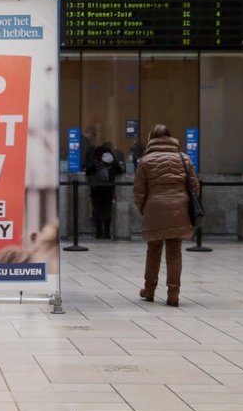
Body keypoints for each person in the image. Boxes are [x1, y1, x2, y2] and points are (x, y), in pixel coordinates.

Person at [133, 124, 199, 307]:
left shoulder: (145, 161)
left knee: (153, 251)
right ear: (171, 138)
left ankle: (149, 290)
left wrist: (143, 210)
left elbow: (139, 191)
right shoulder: (183, 158)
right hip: (179, 207)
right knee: (174, 251)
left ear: (151, 139)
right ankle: (173, 293)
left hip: (154, 207)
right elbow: (194, 186)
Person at [85, 143, 124, 239]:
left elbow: (87, 171)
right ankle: (107, 233)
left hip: (96, 189)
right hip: (108, 188)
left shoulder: (94, 162)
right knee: (107, 211)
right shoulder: (111, 164)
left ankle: (99, 233)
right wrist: (113, 162)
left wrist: (96, 164)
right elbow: (120, 171)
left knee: (97, 210)